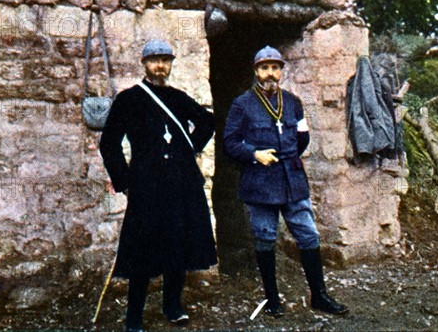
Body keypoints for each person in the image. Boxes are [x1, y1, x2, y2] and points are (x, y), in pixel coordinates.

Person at [223, 45, 349, 318]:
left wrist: (289, 159)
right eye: (265, 68)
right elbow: (229, 143)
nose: (271, 73)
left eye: (275, 68)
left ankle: (319, 295)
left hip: (293, 181)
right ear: (256, 71)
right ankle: (271, 299)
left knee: (308, 235)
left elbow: (302, 138)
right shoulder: (241, 104)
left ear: (281, 71)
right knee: (266, 237)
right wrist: (254, 154)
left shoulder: (293, 102)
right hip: (260, 182)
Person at [100, 39, 217, 332]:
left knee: (178, 245)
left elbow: (207, 122)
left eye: (165, 60)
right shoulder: (129, 99)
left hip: (181, 184)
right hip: (147, 187)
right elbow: (109, 143)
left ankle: (172, 307)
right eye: (154, 60)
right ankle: (134, 317)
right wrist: (124, 181)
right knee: (142, 250)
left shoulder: (178, 97)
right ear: (144, 63)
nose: (160, 66)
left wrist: (190, 148)